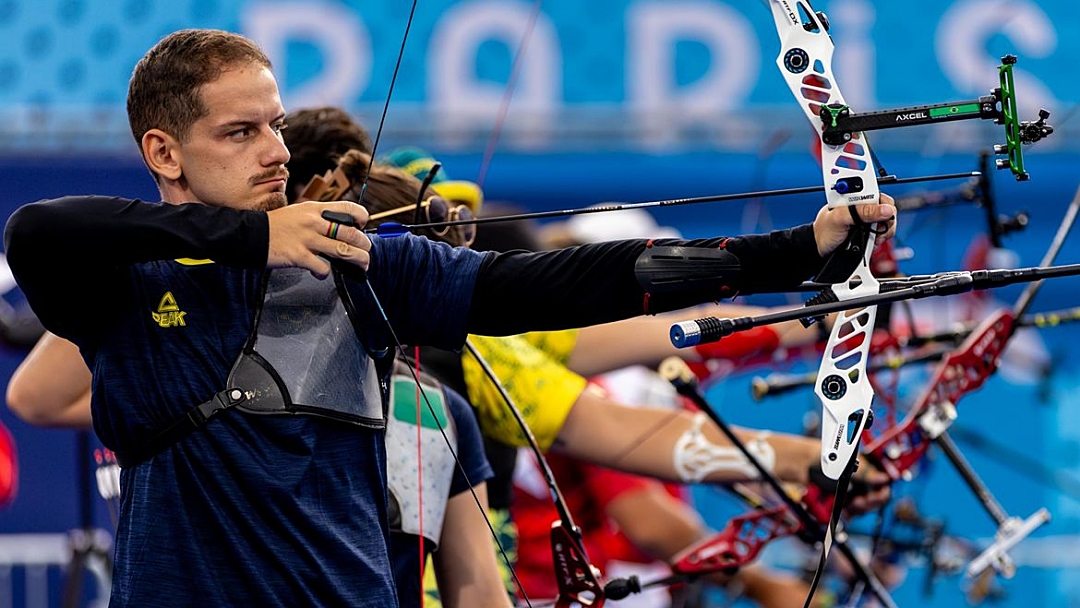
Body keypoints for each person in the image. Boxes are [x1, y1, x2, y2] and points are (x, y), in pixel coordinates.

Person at [3, 29, 893, 606]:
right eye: (241, 133)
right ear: (163, 151)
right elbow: (38, 229)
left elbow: (563, 286)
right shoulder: (123, 290)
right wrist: (250, 239)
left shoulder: (366, 265)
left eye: (275, 126)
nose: (275, 152)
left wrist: (795, 252)